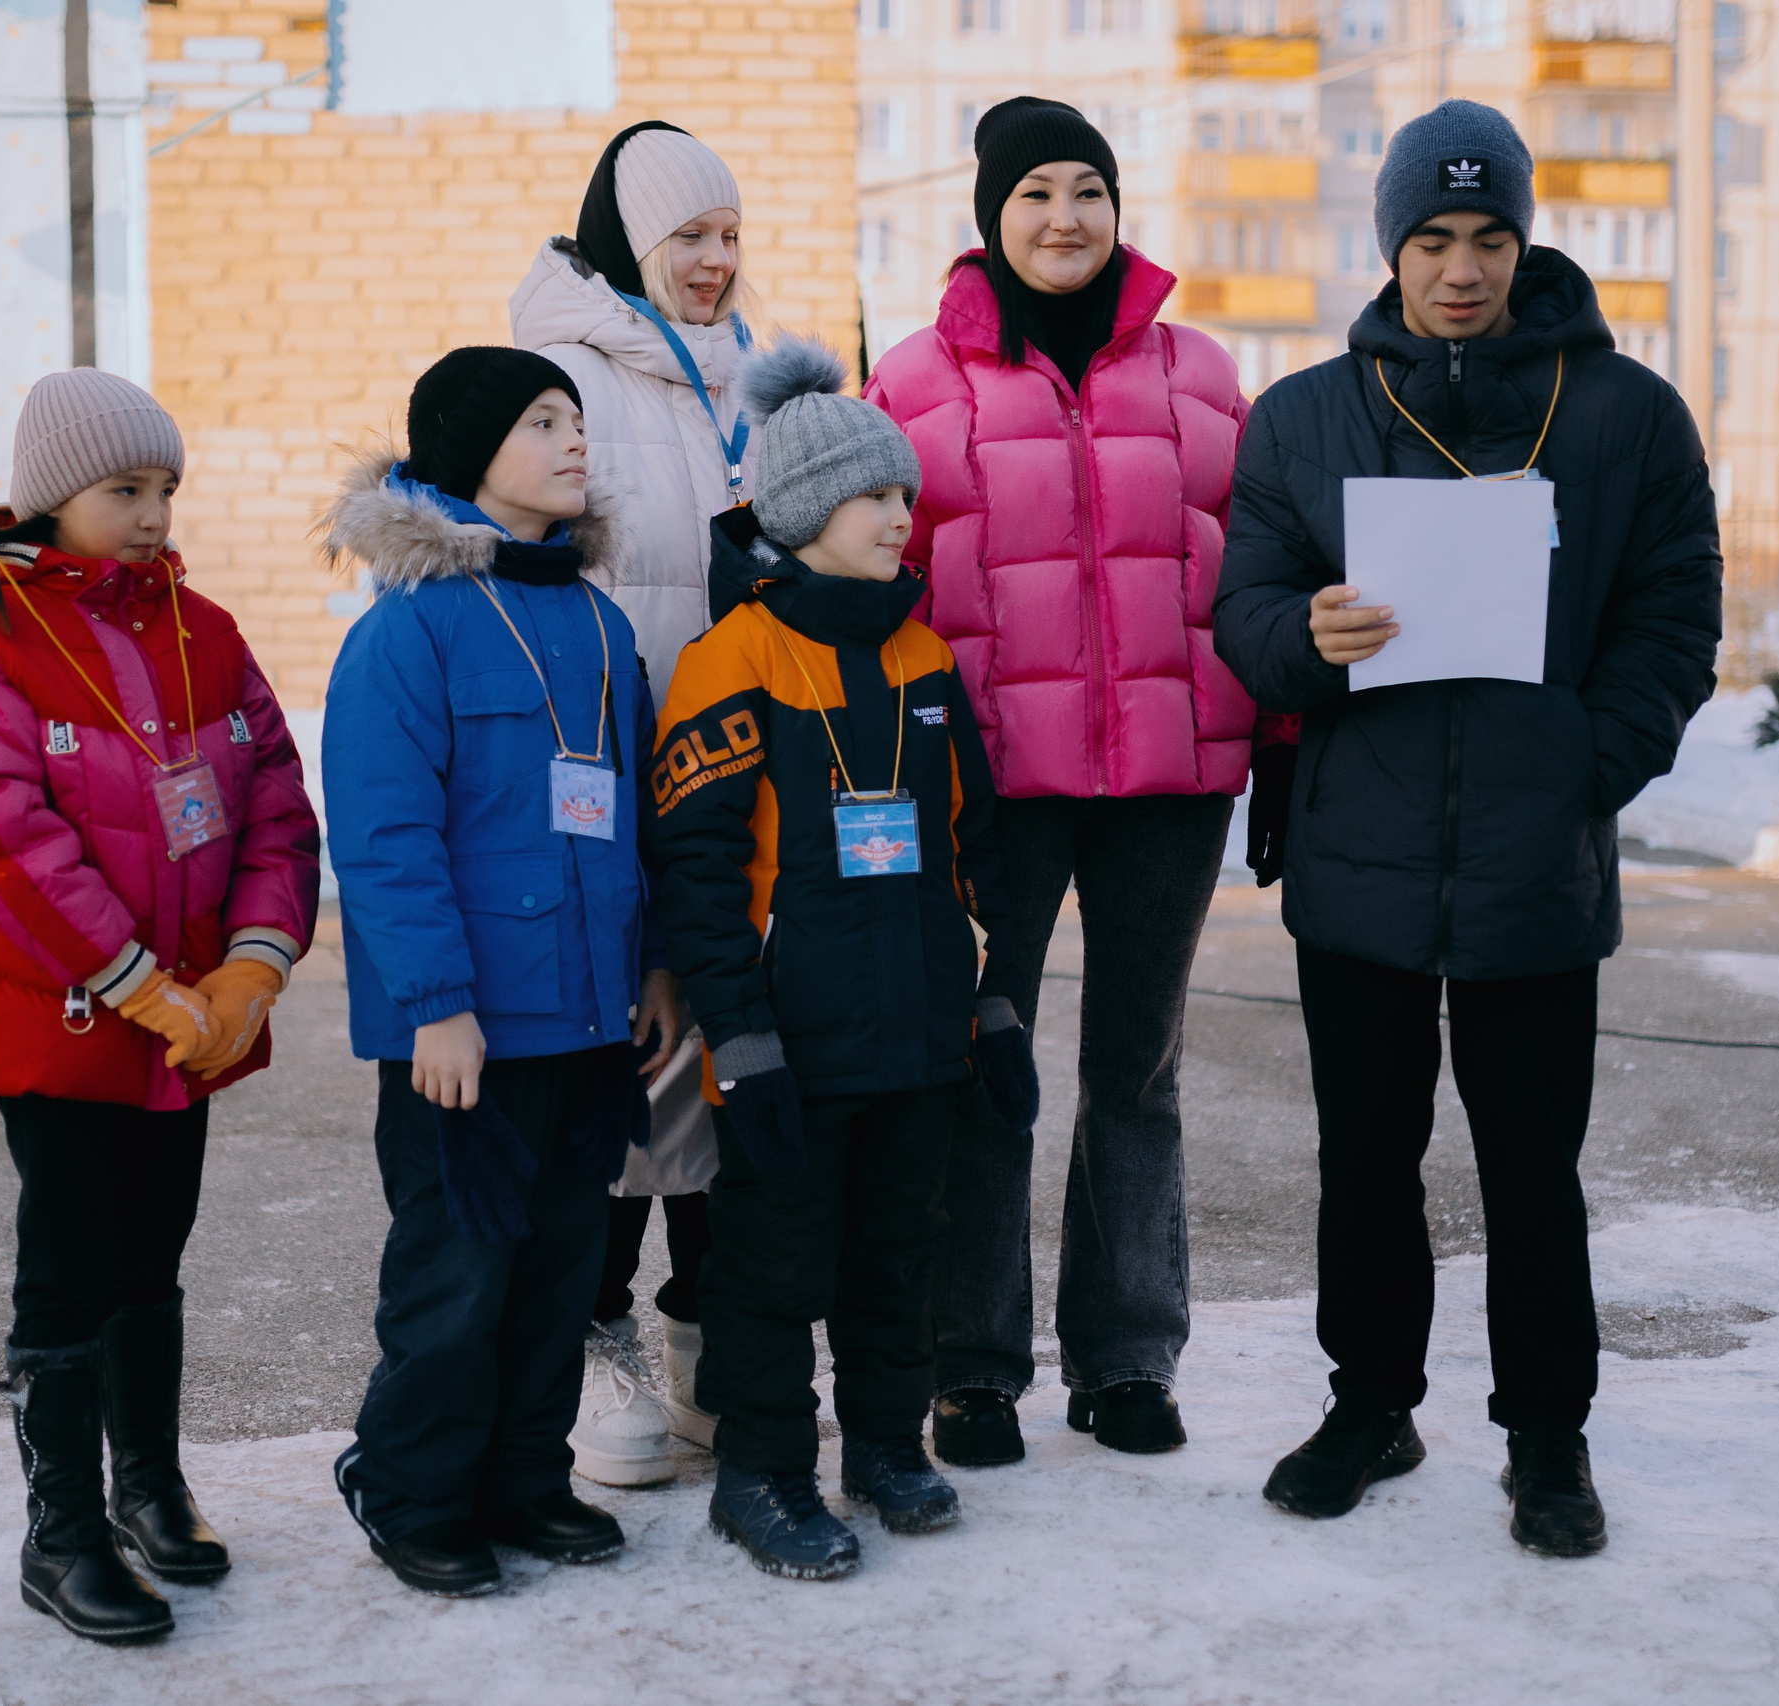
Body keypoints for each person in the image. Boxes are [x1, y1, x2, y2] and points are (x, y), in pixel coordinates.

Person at [1210, 100, 1723, 1557]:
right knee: (1364, 1151)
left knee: (1528, 1161)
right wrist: (1305, 634)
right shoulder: (1305, 417)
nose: (1461, 267)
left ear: (1524, 240)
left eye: (1489, 235)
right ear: (1391, 248)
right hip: (1357, 858)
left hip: (1533, 859)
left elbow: (1675, 605)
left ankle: (1548, 1435)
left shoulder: (1622, 413)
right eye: (1431, 238)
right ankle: (1371, 1401)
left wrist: (1590, 757)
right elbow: (1245, 609)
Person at [865, 98, 1290, 1467]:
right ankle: (973, 1367)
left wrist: (1274, 751)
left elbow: (1259, 574)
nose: (1065, 216)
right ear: (991, 212)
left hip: (1169, 782)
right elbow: (871, 587)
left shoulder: (1202, 376)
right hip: (989, 789)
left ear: (1119, 209)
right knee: (988, 1063)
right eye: (1036, 190)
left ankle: (1123, 1357)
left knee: (1139, 1069)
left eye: (1088, 190)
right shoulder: (915, 383)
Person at [0, 367, 322, 1644]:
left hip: (195, 1012)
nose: (151, 513)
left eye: (163, 488)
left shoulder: (205, 630)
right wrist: (142, 988)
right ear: (52, 500)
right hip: (71, 1016)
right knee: (73, 1255)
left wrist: (250, 967)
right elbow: (1, 842)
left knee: (155, 1242)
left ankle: (149, 1482)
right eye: (120, 489)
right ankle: (64, 1530)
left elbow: (269, 799)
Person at [648, 339, 1032, 1579]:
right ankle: (761, 1470)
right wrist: (740, 1040)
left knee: (895, 1255)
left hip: (917, 1033)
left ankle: (883, 1441)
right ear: (809, 511)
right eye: (880, 498)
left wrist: (998, 1009)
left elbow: (974, 850)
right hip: (789, 1050)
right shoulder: (733, 662)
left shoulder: (922, 657)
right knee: (767, 1273)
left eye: (907, 497)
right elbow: (697, 878)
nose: (902, 520)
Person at [316, 346, 683, 1599]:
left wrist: (651, 968)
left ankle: (526, 1480)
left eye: (577, 418)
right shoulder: (406, 632)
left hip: (585, 1019)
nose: (576, 440)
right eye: (543, 421)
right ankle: (412, 1488)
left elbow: (628, 816)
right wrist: (437, 1006)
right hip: (464, 1035)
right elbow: (381, 837)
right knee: (455, 1276)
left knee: (556, 1276)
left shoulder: (594, 617)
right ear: (471, 452)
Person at [511, 120, 752, 1483]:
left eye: (730, 237)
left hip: (739, 778)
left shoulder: (757, 382)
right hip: (604, 771)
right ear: (629, 244)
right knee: (620, 1075)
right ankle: (592, 1339)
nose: (714, 263)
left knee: (722, 1067)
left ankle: (710, 1338)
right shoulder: (565, 379)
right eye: (688, 240)